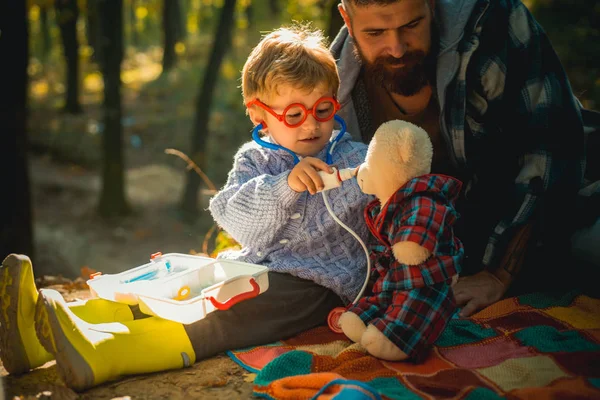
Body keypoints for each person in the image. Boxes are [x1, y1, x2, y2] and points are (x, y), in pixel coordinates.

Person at [0, 25, 372, 391]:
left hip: (318, 286)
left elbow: (388, 187)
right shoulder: (255, 161)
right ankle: (36, 335)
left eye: (323, 109)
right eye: (294, 115)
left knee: (226, 315)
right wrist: (284, 185)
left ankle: (105, 353)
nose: (311, 124)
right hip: (255, 267)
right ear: (260, 116)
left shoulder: (352, 159)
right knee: (176, 291)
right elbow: (234, 217)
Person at [330, 0, 596, 317]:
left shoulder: (495, 23)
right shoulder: (332, 80)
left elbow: (552, 149)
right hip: (435, 251)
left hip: (561, 208)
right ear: (346, 17)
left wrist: (500, 272)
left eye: (411, 26)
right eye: (375, 32)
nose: (397, 48)